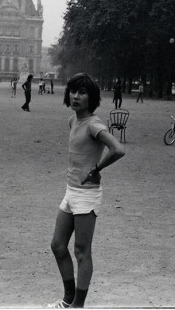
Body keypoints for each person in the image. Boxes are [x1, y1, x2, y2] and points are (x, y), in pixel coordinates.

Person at [48, 73, 125, 309]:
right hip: (71, 191)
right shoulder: (73, 121)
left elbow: (118, 149)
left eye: (82, 92)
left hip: (87, 194)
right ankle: (68, 299)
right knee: (58, 246)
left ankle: (78, 306)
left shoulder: (94, 124)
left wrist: (97, 168)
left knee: (82, 252)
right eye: (73, 91)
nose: (75, 96)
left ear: (91, 98)